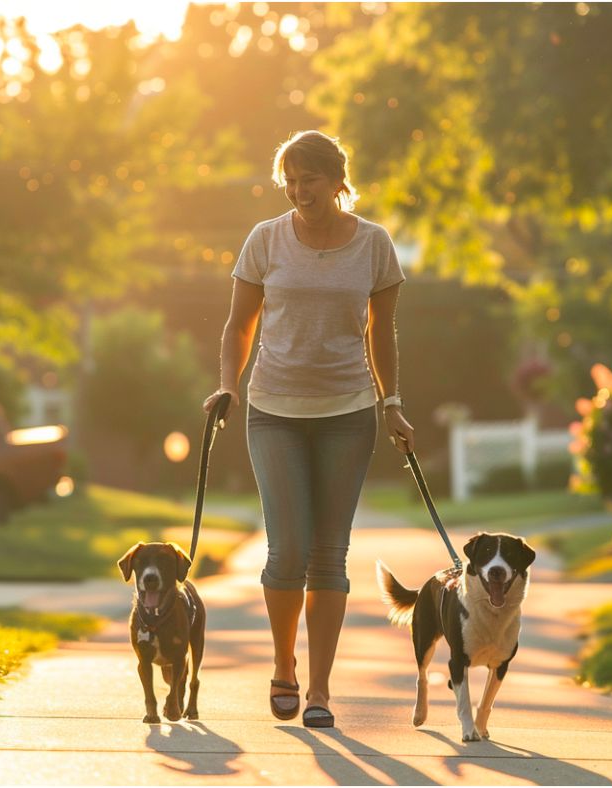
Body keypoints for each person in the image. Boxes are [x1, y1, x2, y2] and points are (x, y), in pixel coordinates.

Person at [203, 130, 414, 729]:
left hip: (348, 412)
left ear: (337, 179)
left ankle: (319, 690)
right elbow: (239, 325)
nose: (299, 191)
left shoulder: (374, 245)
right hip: (273, 411)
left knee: (329, 554)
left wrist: (391, 403)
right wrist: (228, 384)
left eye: (310, 179)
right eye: (289, 181)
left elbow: (382, 333)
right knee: (288, 547)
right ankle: (283, 666)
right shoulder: (265, 240)